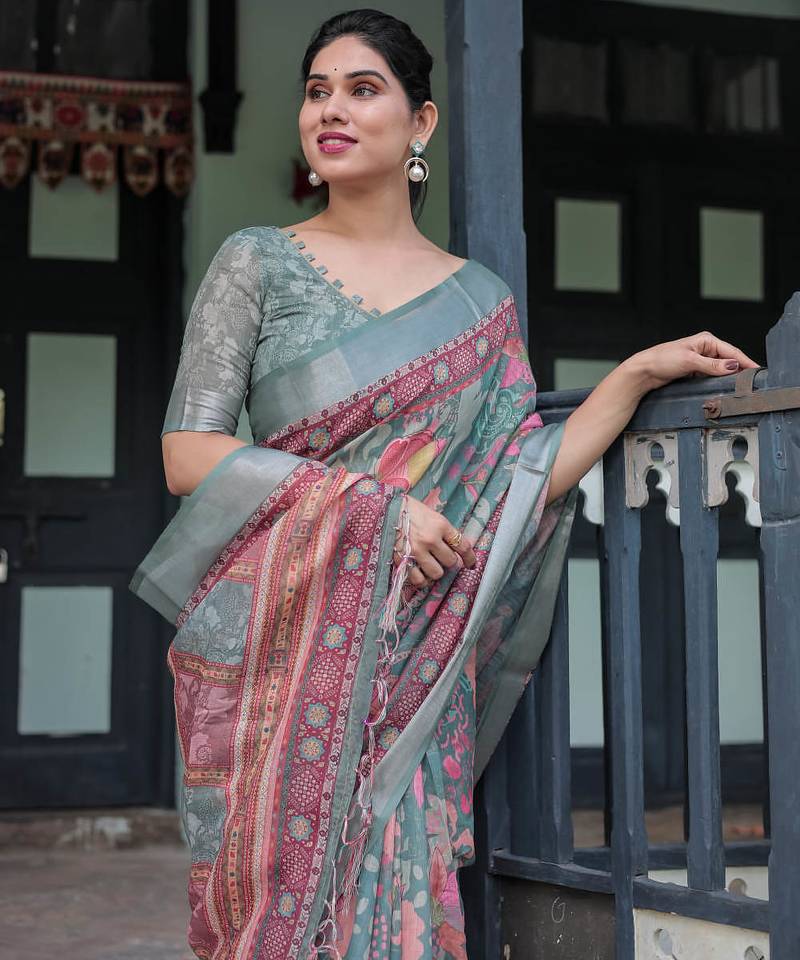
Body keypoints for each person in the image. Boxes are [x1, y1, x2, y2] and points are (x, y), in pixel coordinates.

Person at [129, 9, 758, 959]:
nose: (331, 110)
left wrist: (633, 375)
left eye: (362, 89)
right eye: (316, 91)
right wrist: (372, 509)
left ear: (420, 122)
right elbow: (189, 452)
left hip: (415, 663)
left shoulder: (478, 302)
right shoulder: (255, 261)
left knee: (400, 901)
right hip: (285, 649)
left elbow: (521, 479)